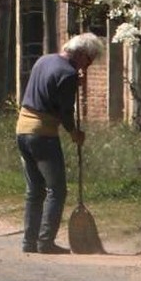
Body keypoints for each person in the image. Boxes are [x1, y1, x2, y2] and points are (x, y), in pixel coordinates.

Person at [16, 32, 104, 255]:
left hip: (22, 129)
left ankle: (29, 241)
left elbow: (49, 91)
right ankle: (45, 242)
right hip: (42, 134)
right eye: (90, 60)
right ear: (82, 55)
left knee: (34, 190)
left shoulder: (43, 60)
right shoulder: (68, 74)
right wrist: (74, 132)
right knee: (57, 189)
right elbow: (65, 111)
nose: (89, 66)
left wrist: (73, 82)